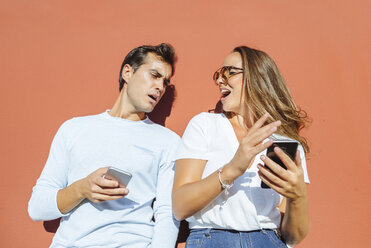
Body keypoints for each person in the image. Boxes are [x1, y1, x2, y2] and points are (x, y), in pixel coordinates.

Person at [28, 43, 180, 248]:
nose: (160, 87)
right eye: (154, 75)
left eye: (165, 81)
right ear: (128, 72)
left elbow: (167, 212)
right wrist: (81, 189)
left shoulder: (168, 142)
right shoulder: (74, 129)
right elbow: (37, 207)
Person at [172, 46, 310, 247]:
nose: (220, 80)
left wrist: (298, 197)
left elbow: (293, 236)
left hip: (268, 240)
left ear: (257, 77)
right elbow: (180, 206)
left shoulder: (285, 142)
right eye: (218, 74)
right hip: (212, 240)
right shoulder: (205, 125)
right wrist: (232, 169)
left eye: (229, 72)